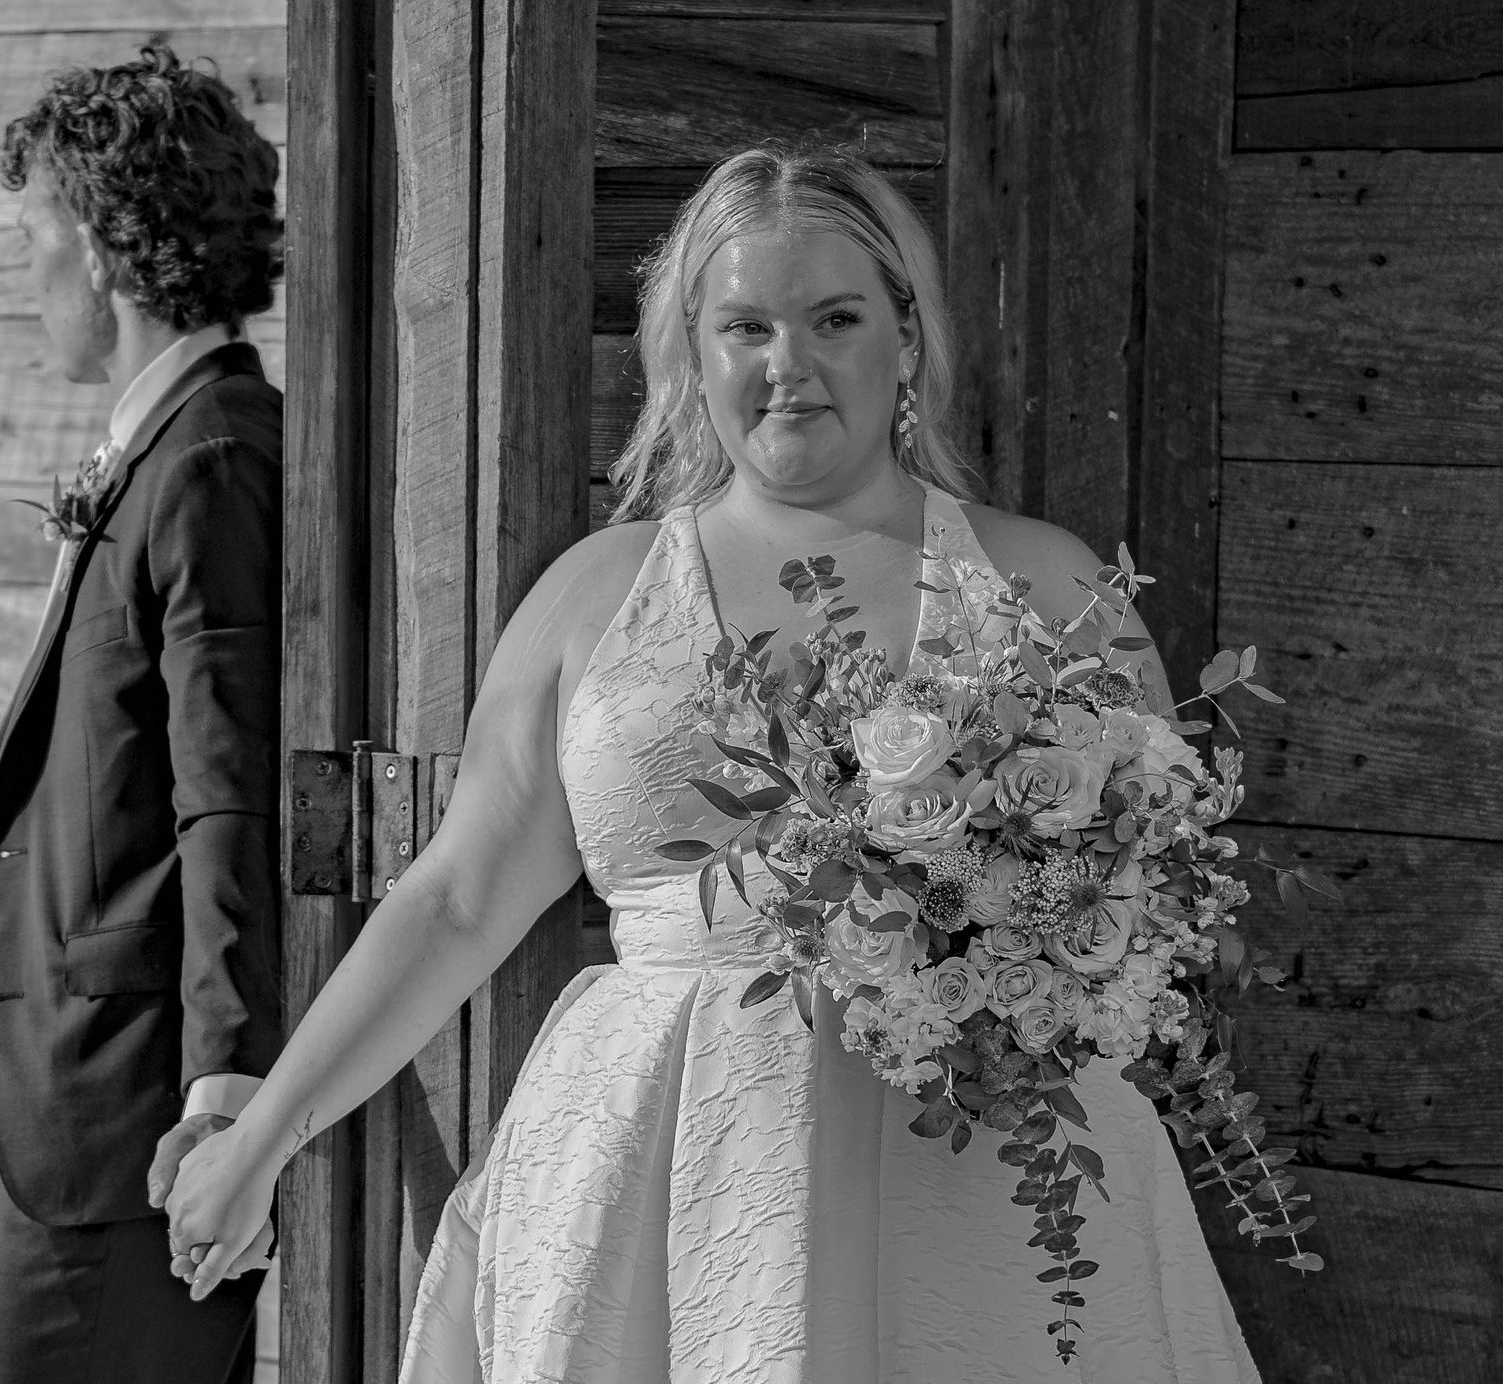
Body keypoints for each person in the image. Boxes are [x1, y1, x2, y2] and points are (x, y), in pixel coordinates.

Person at [161, 145, 1260, 1382]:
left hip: (985, 1191)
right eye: (747, 326)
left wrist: (1026, 934)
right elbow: (455, 898)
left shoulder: (1049, 586)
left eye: (834, 318)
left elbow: (1174, 908)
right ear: (693, 354)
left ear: (907, 337)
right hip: (664, 1180)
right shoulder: (595, 598)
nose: (788, 364)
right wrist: (262, 1134)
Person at [0, 45, 284, 1384]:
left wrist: (225, 1099)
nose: (20, 272)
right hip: (72, 1123)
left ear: (96, 247)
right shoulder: (162, 446)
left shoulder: (211, 456)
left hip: (133, 1136)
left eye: (31, 231)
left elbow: (231, 793)